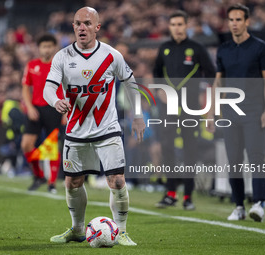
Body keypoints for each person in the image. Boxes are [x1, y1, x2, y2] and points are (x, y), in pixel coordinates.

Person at [43, 7, 145, 246]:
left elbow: (131, 83)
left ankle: (121, 231)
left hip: (107, 129)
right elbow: (49, 87)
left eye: (87, 23)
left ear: (97, 27)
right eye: (77, 23)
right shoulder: (62, 57)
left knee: (117, 181)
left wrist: (137, 115)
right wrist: (55, 100)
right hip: (76, 131)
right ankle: (78, 229)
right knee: (72, 182)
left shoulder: (111, 55)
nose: (82, 27)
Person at [207, 4, 265, 222]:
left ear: (247, 22)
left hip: (255, 111)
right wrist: (211, 112)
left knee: (256, 158)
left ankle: (259, 203)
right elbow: (218, 81)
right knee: (233, 161)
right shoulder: (224, 49)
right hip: (230, 113)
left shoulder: (260, 48)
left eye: (238, 20)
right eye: (231, 20)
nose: (234, 23)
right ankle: (238, 206)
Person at [153, 10, 215, 210]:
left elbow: (212, 75)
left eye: (180, 24)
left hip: (190, 107)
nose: (177, 28)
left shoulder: (196, 48)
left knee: (190, 148)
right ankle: (170, 192)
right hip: (169, 106)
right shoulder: (164, 48)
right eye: (174, 24)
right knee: (166, 146)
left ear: (186, 25)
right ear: (169, 27)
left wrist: (204, 94)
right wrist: (160, 90)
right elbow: (156, 74)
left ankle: (188, 196)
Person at [21, 34, 63, 192]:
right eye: (44, 46)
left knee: (52, 147)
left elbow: (66, 88)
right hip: (35, 109)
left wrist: (66, 111)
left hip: (54, 108)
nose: (46, 49)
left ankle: (51, 183)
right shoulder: (32, 65)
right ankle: (38, 175)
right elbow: (25, 87)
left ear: (54, 47)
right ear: (39, 48)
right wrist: (30, 107)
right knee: (26, 145)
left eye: (49, 46)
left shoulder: (59, 65)